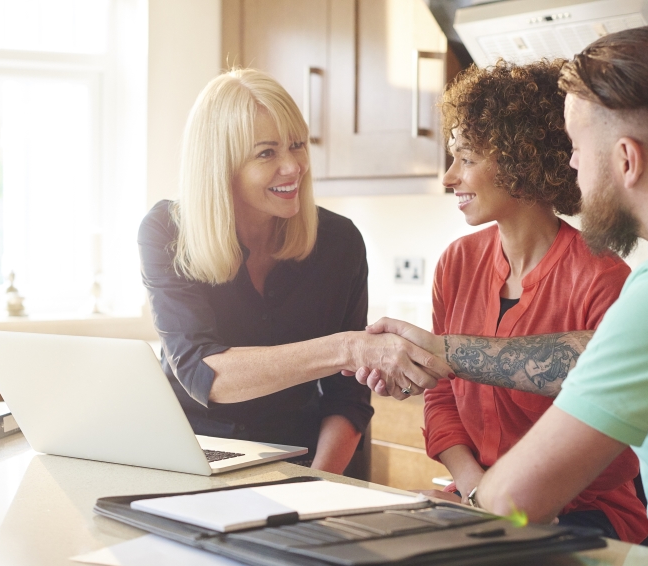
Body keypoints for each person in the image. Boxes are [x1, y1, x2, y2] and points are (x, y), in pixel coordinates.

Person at [358, 26, 648, 557]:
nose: (570, 164)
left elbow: (517, 499)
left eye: (580, 148)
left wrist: (448, 515)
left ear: (627, 160)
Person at [138, 69, 450, 474]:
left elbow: (347, 395)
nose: (294, 167)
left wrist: (318, 482)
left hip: (302, 461)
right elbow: (203, 372)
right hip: (192, 459)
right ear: (221, 166)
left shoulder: (339, 241)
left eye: (297, 145)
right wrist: (348, 347)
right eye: (267, 153)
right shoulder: (167, 231)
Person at [419, 59, 648, 543]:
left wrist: (497, 504)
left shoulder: (603, 277)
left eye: (467, 158)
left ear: (520, 160)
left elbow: (600, 428)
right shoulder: (454, 265)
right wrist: (474, 487)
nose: (448, 177)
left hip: (589, 516)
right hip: (481, 502)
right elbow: (440, 394)